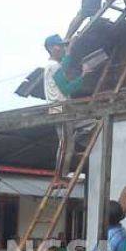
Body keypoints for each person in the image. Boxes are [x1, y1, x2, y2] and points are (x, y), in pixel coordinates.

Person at [44, 34, 86, 177]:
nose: (62, 48)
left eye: (63, 45)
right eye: (59, 45)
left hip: (59, 108)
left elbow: (64, 68)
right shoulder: (53, 66)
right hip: (59, 108)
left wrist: (69, 51)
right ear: (50, 48)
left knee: (70, 140)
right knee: (65, 145)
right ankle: (60, 176)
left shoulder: (53, 66)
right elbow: (67, 89)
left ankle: (62, 174)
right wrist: (83, 75)